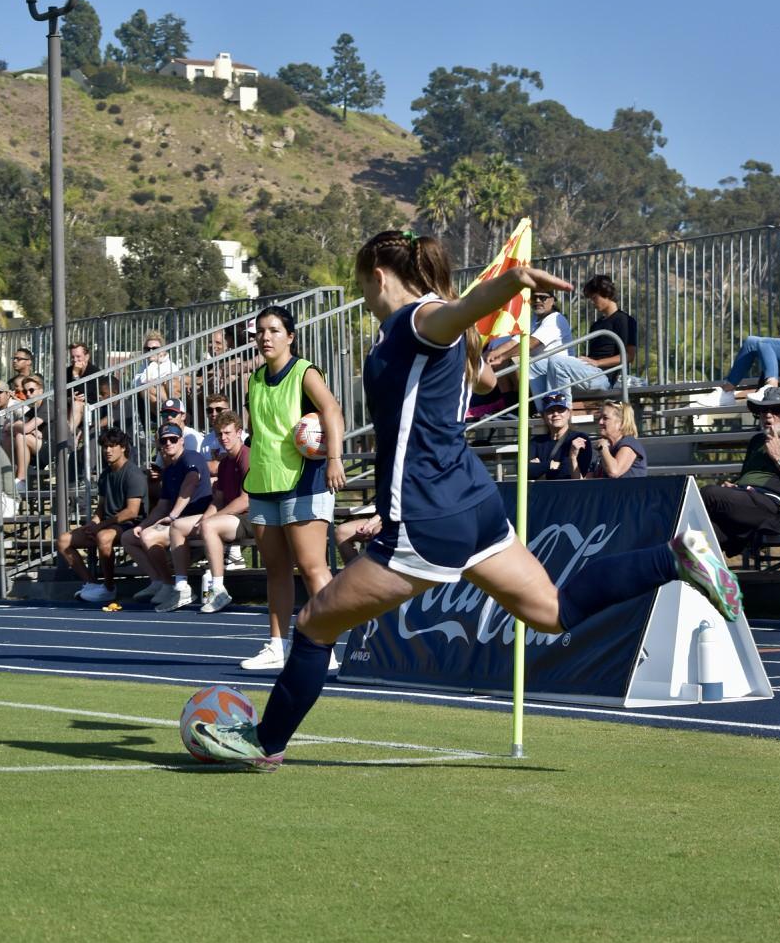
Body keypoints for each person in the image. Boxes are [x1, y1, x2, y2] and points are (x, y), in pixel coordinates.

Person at [191, 229, 742, 771]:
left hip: (428, 515)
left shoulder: (416, 320)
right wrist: (479, 336)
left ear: (380, 277)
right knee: (551, 611)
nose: (363, 299)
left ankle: (265, 741)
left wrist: (510, 283)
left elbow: (455, 315)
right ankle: (674, 556)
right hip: (474, 503)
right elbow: (480, 381)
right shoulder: (441, 333)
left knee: (313, 624)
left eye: (362, 287)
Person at [238, 304, 346, 673]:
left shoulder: (304, 372)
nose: (265, 337)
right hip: (264, 482)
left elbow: (331, 411)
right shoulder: (253, 379)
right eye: (260, 332)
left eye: (273, 330)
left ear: (290, 336)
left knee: (313, 567)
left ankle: (327, 645)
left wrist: (334, 457)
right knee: (276, 570)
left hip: (304, 481)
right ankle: (275, 645)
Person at [694, 259, 780, 409]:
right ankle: (727, 391)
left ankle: (770, 389)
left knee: (764, 343)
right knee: (750, 341)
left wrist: (779, 347)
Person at [700, 387, 780, 556]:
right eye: (763, 410)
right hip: (746, 502)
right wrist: (734, 487)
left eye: (775, 410)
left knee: (707, 494)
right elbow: (749, 478)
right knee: (698, 540)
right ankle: (717, 580)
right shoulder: (756, 441)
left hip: (772, 508)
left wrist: (778, 457)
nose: (768, 415)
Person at [123, 422, 214, 609]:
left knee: (149, 536)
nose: (168, 443)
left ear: (181, 440)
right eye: (164, 441)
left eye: (173, 439)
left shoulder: (191, 457)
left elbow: (190, 483)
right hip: (179, 522)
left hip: (199, 518)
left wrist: (173, 516)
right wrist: (143, 525)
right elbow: (162, 505)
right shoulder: (170, 469)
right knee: (129, 537)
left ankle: (175, 586)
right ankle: (159, 582)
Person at [57, 428, 148, 605]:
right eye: (105, 446)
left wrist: (101, 525)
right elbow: (101, 506)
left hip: (130, 525)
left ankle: (109, 588)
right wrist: (93, 523)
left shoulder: (133, 473)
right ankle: (91, 584)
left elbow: (132, 511)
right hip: (108, 524)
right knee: (63, 540)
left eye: (112, 446)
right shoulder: (105, 474)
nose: (107, 450)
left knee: (103, 537)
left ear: (123, 448)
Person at [542, 275, 638, 397]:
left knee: (555, 361)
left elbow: (629, 356)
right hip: (588, 370)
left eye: (594, 298)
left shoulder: (624, 320)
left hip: (602, 376)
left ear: (606, 293)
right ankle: (542, 408)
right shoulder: (596, 325)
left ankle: (558, 405)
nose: (592, 303)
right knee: (538, 366)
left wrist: (597, 363)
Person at [195, 411, 251, 612]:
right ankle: (177, 585)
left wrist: (211, 520)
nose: (223, 438)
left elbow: (245, 501)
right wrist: (204, 518)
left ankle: (218, 589)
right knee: (178, 527)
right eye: (220, 434)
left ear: (239, 432)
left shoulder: (246, 457)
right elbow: (217, 499)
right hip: (232, 517)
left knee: (209, 526)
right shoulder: (225, 462)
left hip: (251, 518)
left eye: (228, 433)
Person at [486, 289, 574, 400]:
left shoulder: (555, 319)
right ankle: (509, 404)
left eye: (543, 298)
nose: (537, 301)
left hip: (557, 369)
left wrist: (502, 356)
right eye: (534, 298)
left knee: (516, 359)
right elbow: (514, 342)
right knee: (500, 362)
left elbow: (531, 343)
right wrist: (493, 354)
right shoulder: (534, 320)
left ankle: (526, 406)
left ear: (552, 301)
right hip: (538, 366)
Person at [528, 391, 592, 480]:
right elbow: (525, 471)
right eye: (550, 411)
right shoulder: (536, 442)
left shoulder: (579, 438)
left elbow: (568, 473)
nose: (556, 414)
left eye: (560, 409)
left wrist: (541, 468)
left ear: (569, 413)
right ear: (543, 416)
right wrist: (550, 465)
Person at [588, 400, 647, 479]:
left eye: (605, 418)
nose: (600, 422)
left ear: (621, 422)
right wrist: (573, 457)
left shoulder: (630, 444)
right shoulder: (607, 446)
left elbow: (614, 472)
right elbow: (586, 480)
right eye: (600, 418)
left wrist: (603, 448)